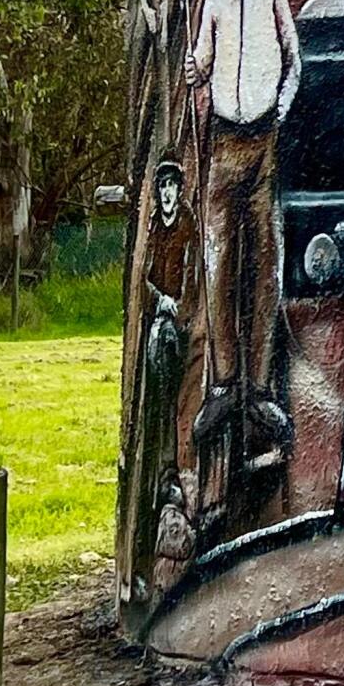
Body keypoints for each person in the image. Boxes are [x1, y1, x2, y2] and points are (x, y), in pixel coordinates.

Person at [186, 0, 300, 518]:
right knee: (217, 264)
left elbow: (293, 56)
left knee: (264, 266)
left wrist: (281, 108)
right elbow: (202, 55)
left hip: (264, 138)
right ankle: (225, 385)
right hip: (225, 141)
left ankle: (259, 388)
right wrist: (193, 70)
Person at [122, 153, 201, 605]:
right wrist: (159, 302)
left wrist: (179, 306)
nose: (168, 193)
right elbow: (144, 283)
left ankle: (175, 475)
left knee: (177, 405)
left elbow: (193, 280)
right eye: (163, 187)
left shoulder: (187, 228)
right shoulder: (152, 230)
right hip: (160, 327)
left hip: (181, 332)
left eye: (173, 186)